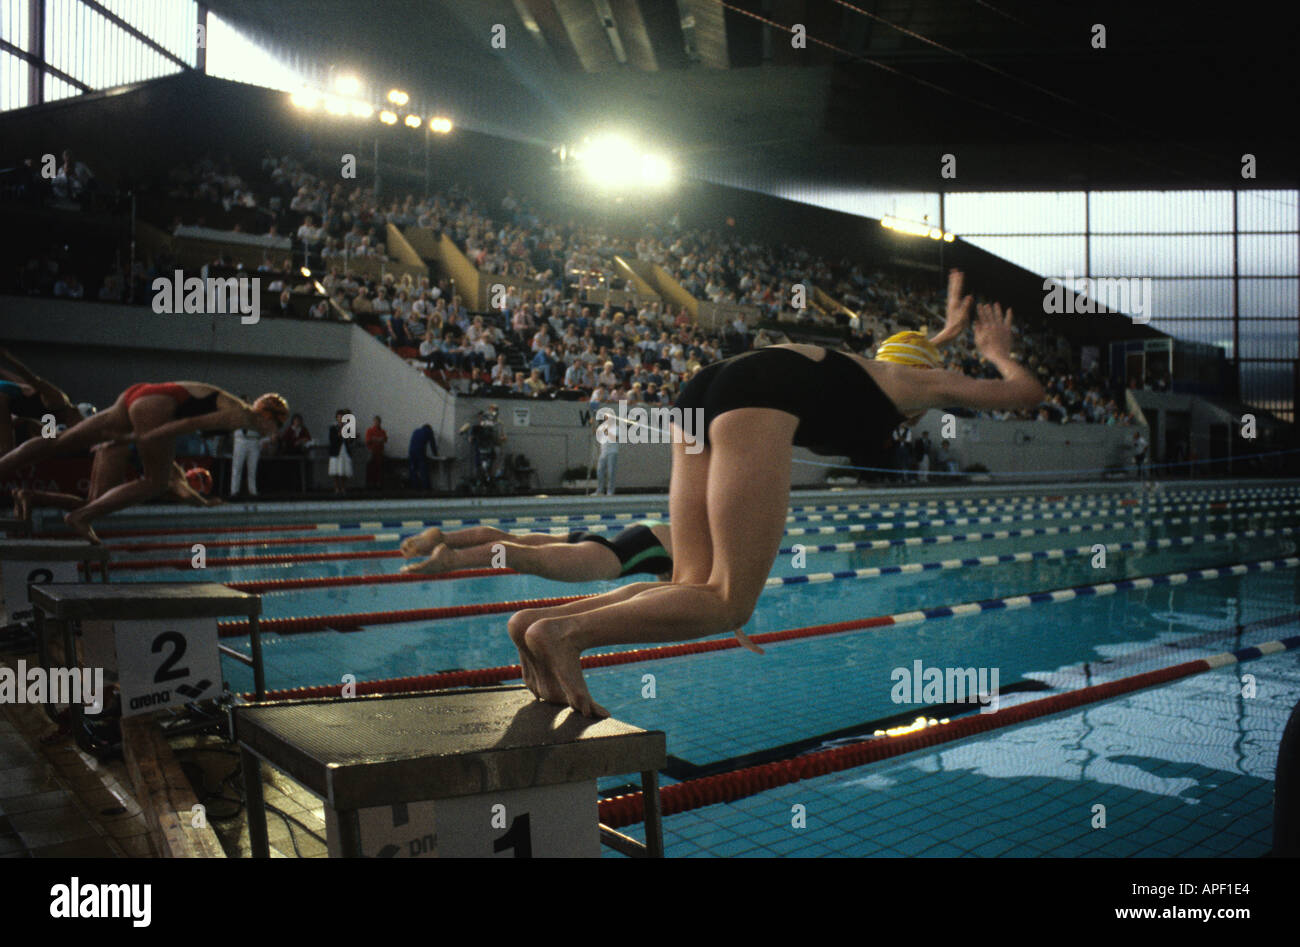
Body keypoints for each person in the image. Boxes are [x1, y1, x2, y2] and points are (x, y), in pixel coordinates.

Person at [505, 270, 1045, 716]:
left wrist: (948, 331)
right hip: (757, 394)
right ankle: (568, 634)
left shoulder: (881, 372)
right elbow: (1025, 392)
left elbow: (911, 356)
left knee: (694, 583)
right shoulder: (913, 386)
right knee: (727, 603)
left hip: (701, 390)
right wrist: (997, 351)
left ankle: (535, 625)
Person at [0, 382, 287, 543]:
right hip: (157, 408)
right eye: (276, 427)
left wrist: (201, 501)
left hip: (137, 394)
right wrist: (139, 436)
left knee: (62, 441)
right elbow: (188, 423)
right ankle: (81, 517)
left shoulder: (233, 402)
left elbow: (173, 454)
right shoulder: (240, 414)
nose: (272, 434)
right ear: (268, 418)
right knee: (155, 481)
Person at [399, 520, 672, 582]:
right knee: (526, 558)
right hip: (609, 558)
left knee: (514, 539)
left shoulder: (677, 529)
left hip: (589, 539)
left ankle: (444, 537)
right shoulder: (700, 549)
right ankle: (453, 558)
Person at [229, 398, 266, 497]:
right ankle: (234, 491)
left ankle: (252, 491)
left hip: (253, 440)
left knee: (252, 468)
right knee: (237, 467)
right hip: (240, 440)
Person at [594, 406, 619, 497]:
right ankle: (600, 490)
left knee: (611, 472)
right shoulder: (602, 427)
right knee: (600, 471)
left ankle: (610, 491)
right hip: (603, 452)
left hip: (612, 451)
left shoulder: (616, 427)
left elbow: (616, 438)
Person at [328, 408, 353, 495]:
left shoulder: (348, 427)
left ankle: (343, 488)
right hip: (336, 451)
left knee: (344, 470)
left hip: (345, 450)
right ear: (336, 418)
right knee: (335, 470)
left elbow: (351, 440)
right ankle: (336, 488)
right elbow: (331, 439)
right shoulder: (333, 428)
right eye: (339, 417)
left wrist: (350, 438)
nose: (341, 419)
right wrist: (339, 435)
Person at [408, 423, 437, 490]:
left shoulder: (416, 431)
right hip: (420, 453)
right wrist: (435, 455)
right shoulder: (429, 431)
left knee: (413, 470)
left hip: (411, 452)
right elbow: (432, 444)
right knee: (423, 470)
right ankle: (426, 488)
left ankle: (415, 487)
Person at [365, 416, 388, 488]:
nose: (377, 423)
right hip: (372, 452)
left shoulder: (382, 431)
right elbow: (368, 440)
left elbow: (384, 439)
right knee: (371, 468)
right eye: (375, 422)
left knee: (379, 468)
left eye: (378, 422)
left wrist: (375, 439)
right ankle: (371, 483)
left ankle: (378, 483)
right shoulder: (370, 430)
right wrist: (378, 439)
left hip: (379, 452)